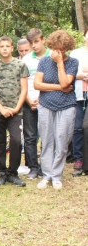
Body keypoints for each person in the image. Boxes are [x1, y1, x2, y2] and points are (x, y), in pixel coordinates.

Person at [35, 30, 77, 190]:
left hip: (67, 106)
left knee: (62, 140)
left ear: (66, 48)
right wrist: (60, 87)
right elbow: (37, 84)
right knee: (46, 140)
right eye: (55, 48)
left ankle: (56, 175)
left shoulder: (72, 62)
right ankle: (46, 175)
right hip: (46, 105)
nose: (57, 52)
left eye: (61, 49)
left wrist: (60, 63)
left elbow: (67, 81)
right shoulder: (44, 61)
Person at [0, 36, 29, 187]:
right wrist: (1, 108)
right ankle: (2, 173)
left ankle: (13, 173)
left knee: (16, 141)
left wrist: (16, 108)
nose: (4, 48)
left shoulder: (20, 65)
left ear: (12, 48)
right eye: (1, 46)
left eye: (7, 46)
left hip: (15, 111)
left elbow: (24, 89)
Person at [21, 28, 50, 179]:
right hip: (28, 102)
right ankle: (33, 167)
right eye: (32, 43)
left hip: (47, 101)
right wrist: (28, 99)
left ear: (43, 39)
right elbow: (22, 83)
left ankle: (46, 167)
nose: (35, 46)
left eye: (37, 41)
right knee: (30, 136)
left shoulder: (53, 56)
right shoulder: (25, 59)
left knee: (47, 135)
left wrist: (41, 98)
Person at [69, 29, 88, 175]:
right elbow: (70, 72)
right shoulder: (75, 53)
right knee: (77, 127)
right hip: (78, 95)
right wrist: (81, 75)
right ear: (84, 36)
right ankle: (78, 158)